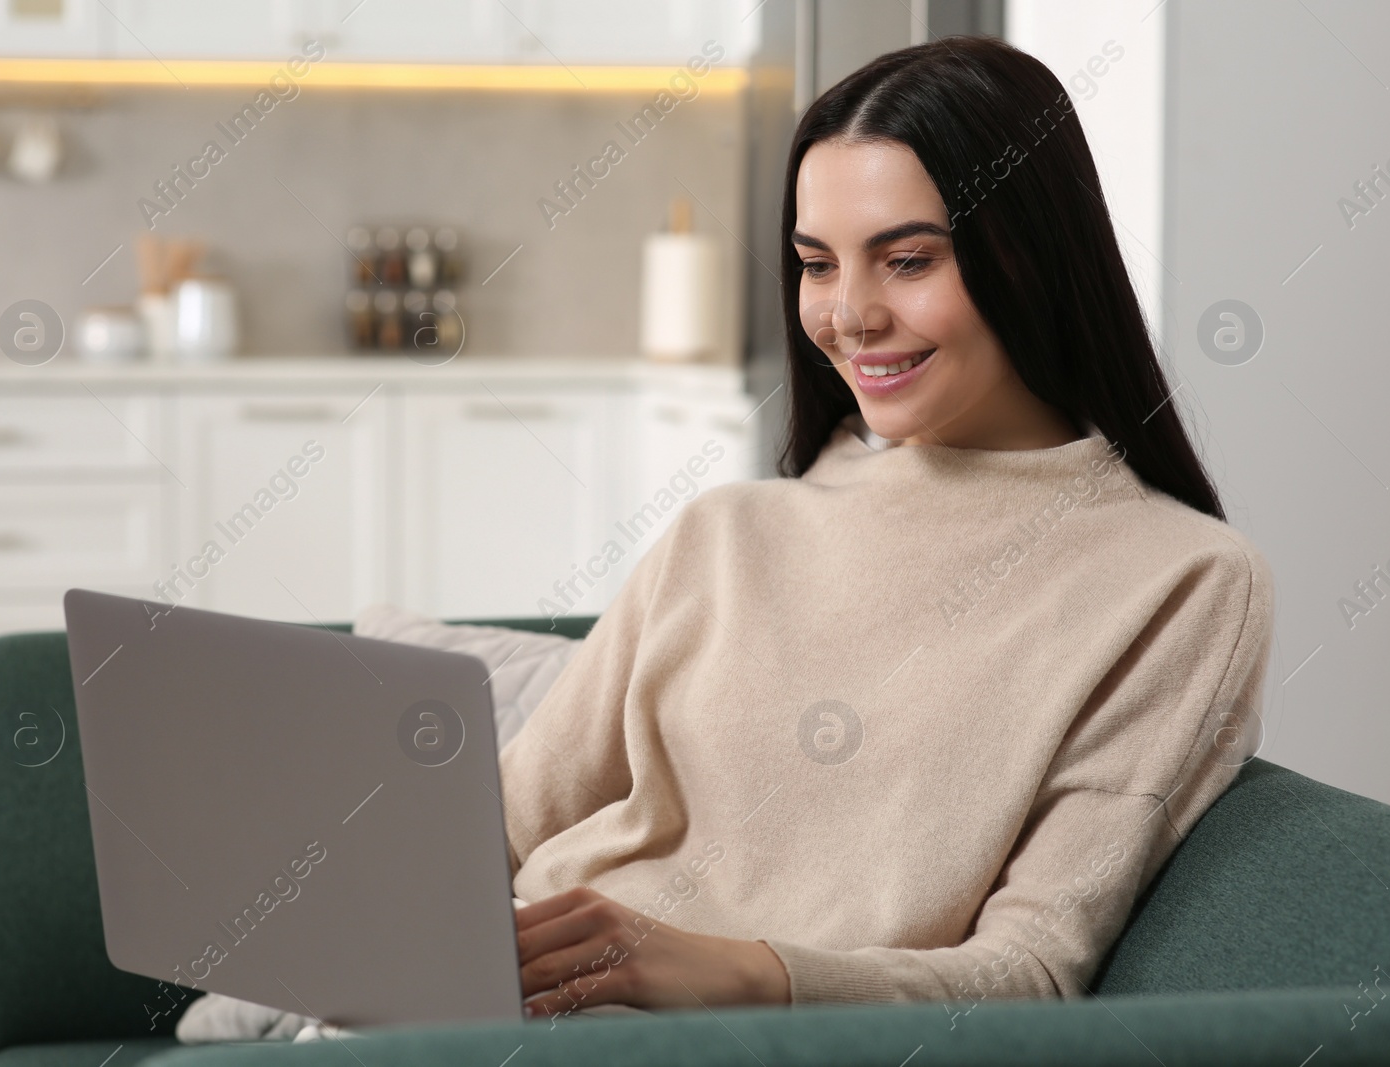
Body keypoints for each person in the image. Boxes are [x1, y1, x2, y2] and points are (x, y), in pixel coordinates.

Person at [501, 36, 1274, 1021]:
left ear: (1030, 252)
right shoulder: (726, 530)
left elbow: (1030, 972)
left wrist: (724, 969)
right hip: (499, 1009)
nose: (850, 314)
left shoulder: (1180, 581)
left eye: (906, 259)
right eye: (816, 264)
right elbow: (501, 827)